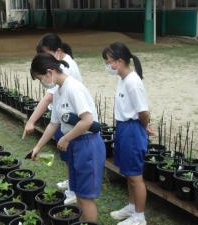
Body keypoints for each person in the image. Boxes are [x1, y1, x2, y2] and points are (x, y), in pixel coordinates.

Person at [29, 53, 105, 222]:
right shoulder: (58, 91)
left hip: (87, 145)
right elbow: (53, 124)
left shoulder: (73, 88)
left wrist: (66, 138)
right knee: (78, 193)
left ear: (49, 72)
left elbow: (87, 121)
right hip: (75, 145)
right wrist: (38, 147)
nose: (42, 83)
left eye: (41, 78)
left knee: (86, 197)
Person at [22, 33, 82, 204]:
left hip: (73, 124)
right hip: (63, 119)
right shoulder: (60, 70)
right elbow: (54, 120)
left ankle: (74, 189)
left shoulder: (65, 72)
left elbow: (49, 98)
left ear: (57, 52)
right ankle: (72, 184)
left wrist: (31, 121)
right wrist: (38, 146)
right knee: (67, 156)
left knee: (72, 157)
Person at [102, 42, 150, 225]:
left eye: (109, 61)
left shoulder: (132, 82)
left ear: (120, 61)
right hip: (123, 128)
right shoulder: (122, 79)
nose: (108, 65)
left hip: (132, 130)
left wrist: (143, 127)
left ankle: (140, 217)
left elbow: (143, 112)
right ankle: (132, 206)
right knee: (129, 174)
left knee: (136, 176)